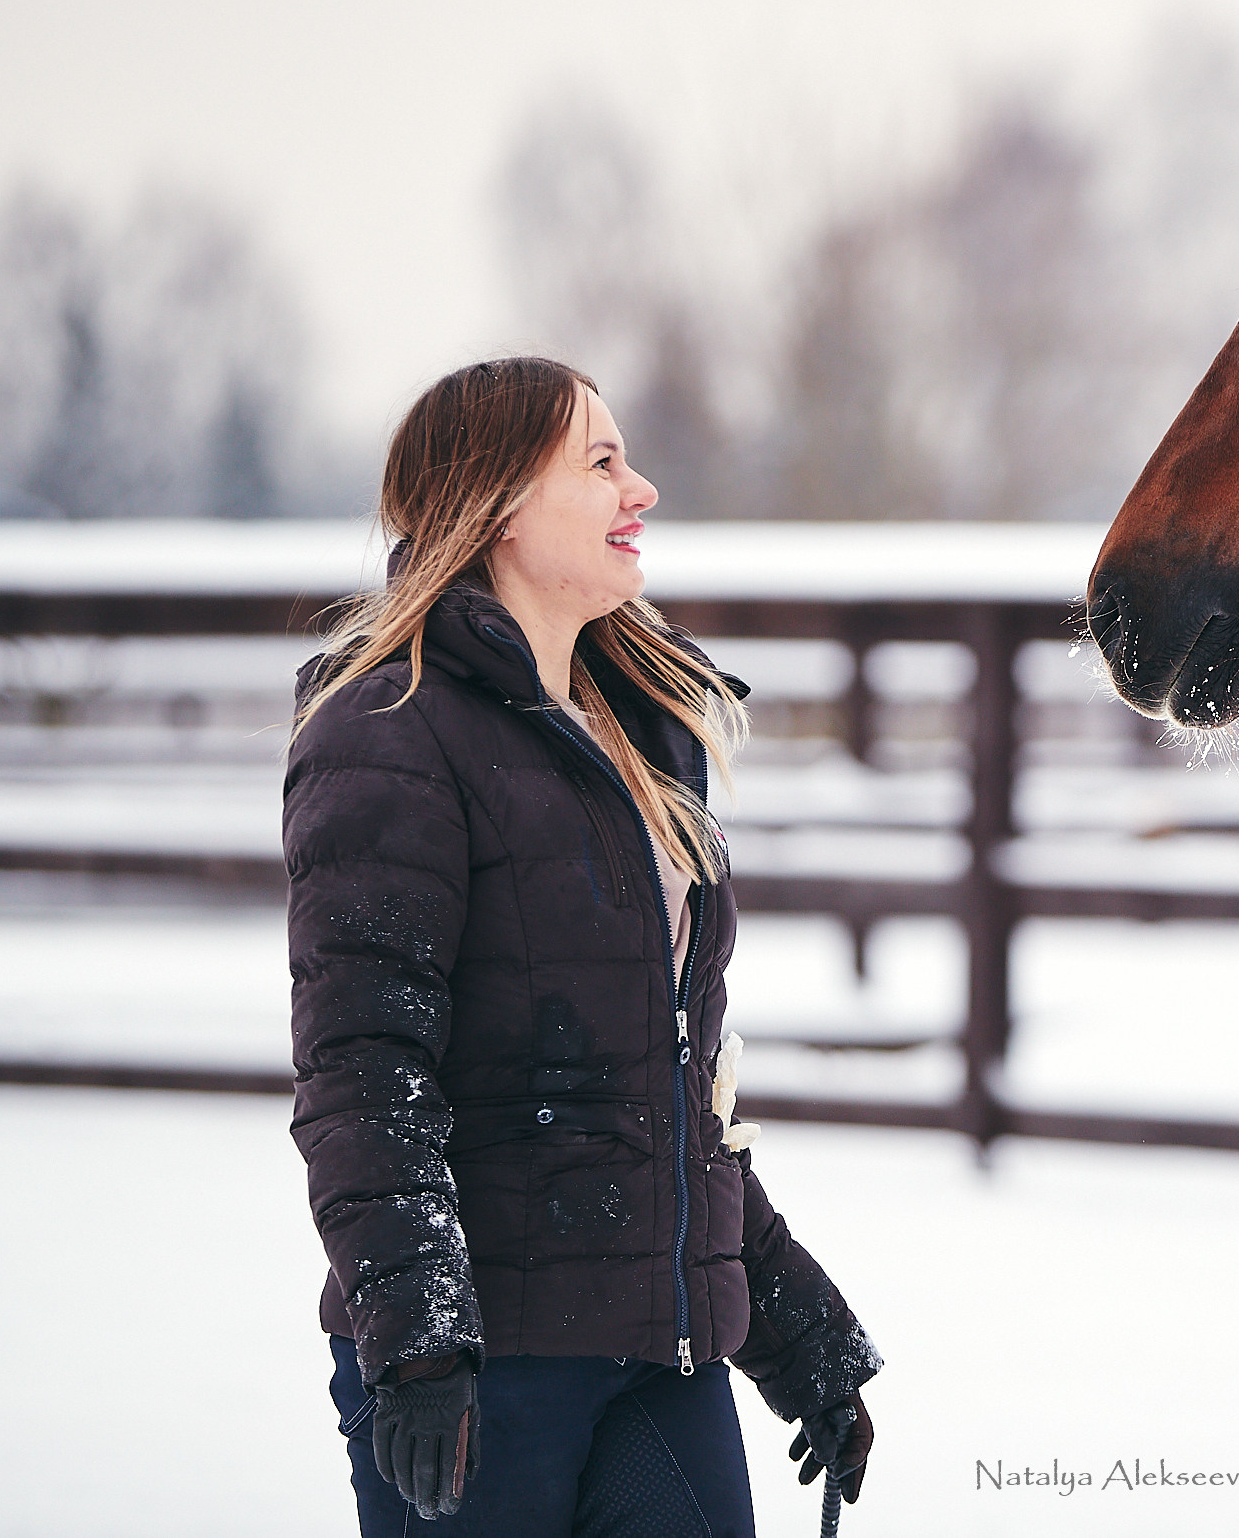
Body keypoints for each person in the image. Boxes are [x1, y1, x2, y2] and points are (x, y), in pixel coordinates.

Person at [285, 357, 880, 1534]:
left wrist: (788, 1317)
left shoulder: (644, 736)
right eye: (600, 463)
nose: (640, 488)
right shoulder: (388, 730)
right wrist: (418, 1340)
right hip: (477, 1367)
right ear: (501, 502)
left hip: (658, 1354)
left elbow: (664, 1085)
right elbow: (363, 1068)